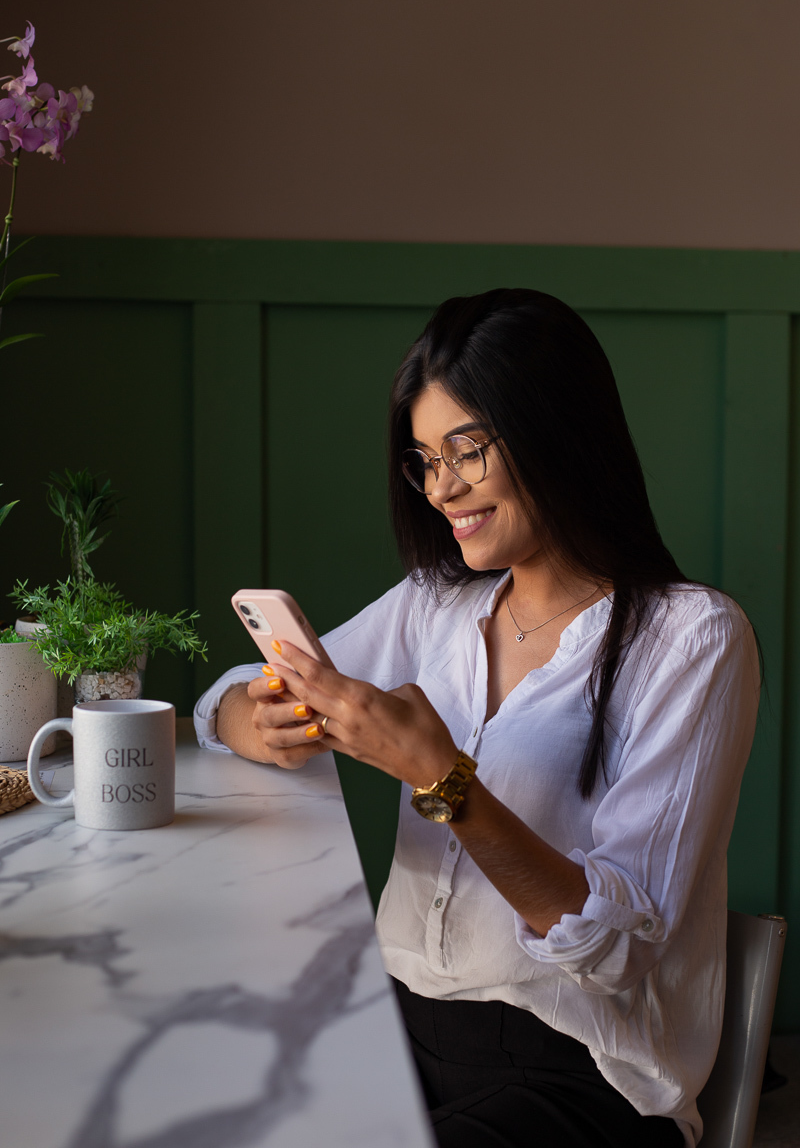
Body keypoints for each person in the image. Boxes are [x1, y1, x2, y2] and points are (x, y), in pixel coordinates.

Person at [194, 289, 759, 1148]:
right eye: (423, 458)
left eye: (468, 451)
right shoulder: (437, 605)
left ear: (556, 433)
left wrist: (441, 777)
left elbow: (618, 950)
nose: (441, 487)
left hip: (582, 1076)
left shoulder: (692, 638)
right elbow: (239, 689)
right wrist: (250, 717)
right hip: (397, 1024)